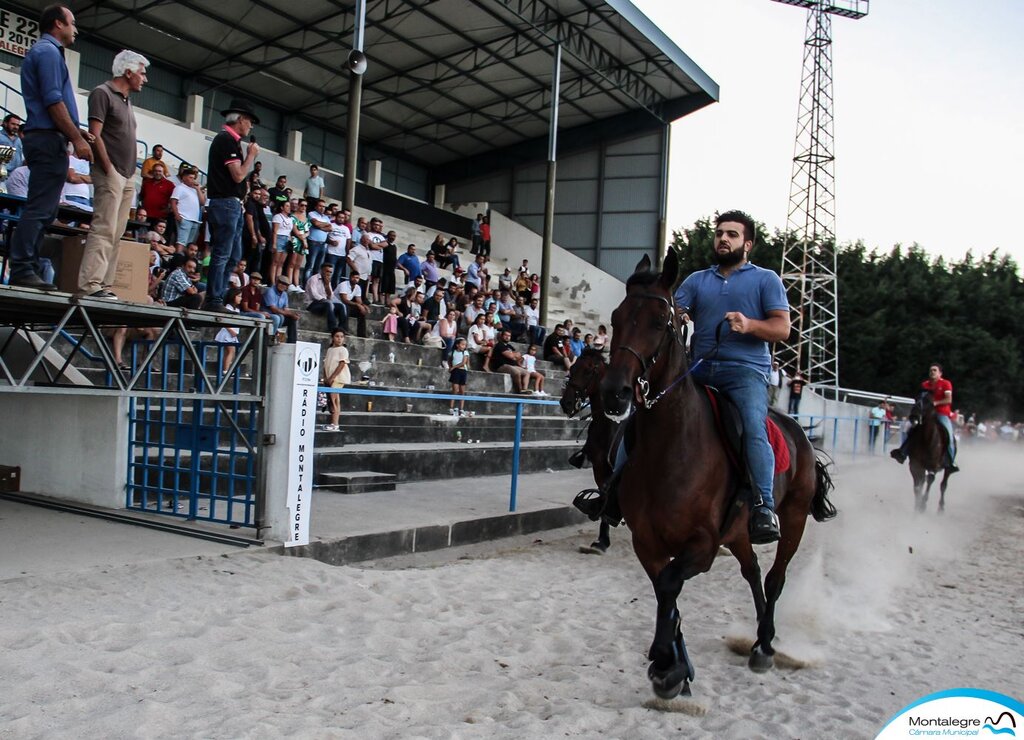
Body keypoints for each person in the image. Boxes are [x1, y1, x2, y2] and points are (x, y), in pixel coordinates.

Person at [7, 4, 93, 290]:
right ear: (58, 24)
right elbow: (53, 102)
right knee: (40, 208)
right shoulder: (47, 53)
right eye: (72, 23)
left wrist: (76, 131)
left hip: (48, 136)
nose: (75, 29)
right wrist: (77, 139)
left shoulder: (48, 53)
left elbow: (56, 105)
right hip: (46, 138)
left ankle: (26, 266)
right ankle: (22, 267)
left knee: (44, 209)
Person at [204, 98, 259, 311]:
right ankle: (214, 298)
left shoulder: (231, 141)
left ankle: (218, 295)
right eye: (250, 121)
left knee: (234, 255)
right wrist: (251, 156)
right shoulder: (226, 140)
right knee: (223, 253)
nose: (251, 126)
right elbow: (237, 175)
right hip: (225, 203)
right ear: (241, 119)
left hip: (232, 204)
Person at [890, 363, 959, 473]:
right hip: (925, 413)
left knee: (949, 436)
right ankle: (902, 452)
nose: (932, 372)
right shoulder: (925, 385)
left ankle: (950, 462)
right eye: (931, 370)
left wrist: (934, 403)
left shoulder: (946, 383)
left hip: (941, 413)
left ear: (940, 373)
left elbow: (948, 400)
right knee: (909, 428)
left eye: (934, 370)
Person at [322, 329, 350, 432]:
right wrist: (325, 377)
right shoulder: (330, 350)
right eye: (337, 336)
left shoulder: (343, 350)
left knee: (333, 400)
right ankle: (334, 423)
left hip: (338, 378)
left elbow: (342, 364)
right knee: (334, 399)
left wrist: (332, 377)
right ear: (333, 338)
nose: (339, 339)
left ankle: (335, 423)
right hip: (329, 378)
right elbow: (325, 365)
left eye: (341, 337)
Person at [170, 166, 204, 249]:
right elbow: (173, 202)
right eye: (190, 177)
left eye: (193, 178)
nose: (193, 180)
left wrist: (198, 189)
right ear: (184, 177)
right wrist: (177, 216)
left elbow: (202, 202)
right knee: (182, 241)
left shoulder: (194, 189)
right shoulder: (179, 188)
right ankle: (179, 257)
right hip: (184, 218)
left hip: (194, 220)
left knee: (190, 244)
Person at [306, 263, 347, 332]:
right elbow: (314, 295)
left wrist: (327, 285)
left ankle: (342, 329)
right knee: (328, 303)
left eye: (330, 272)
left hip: (325, 304)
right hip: (312, 304)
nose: (329, 274)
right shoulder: (314, 279)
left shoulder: (328, 281)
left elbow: (331, 296)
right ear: (321, 270)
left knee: (341, 306)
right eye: (327, 271)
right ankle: (332, 328)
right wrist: (326, 300)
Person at [215, 287, 243, 376]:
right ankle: (225, 371)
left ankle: (225, 369)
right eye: (238, 296)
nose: (240, 298)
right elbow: (224, 321)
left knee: (230, 351)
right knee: (231, 350)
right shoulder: (227, 308)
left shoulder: (237, 310)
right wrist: (231, 330)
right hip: (227, 333)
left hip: (233, 334)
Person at [264, 274, 299, 343]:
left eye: (285, 285)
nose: (283, 286)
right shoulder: (270, 291)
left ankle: (292, 342)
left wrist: (293, 314)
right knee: (278, 317)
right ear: (277, 282)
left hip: (279, 316)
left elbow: (286, 309)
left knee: (292, 319)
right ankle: (271, 338)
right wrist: (289, 314)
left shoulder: (284, 294)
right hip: (268, 314)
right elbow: (273, 309)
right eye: (281, 283)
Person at [449, 337, 469, 416]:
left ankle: (461, 409)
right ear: (457, 345)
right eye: (462, 344)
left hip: (462, 371)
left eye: (465, 345)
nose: (464, 346)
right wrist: (451, 366)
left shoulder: (465, 352)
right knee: (455, 390)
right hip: (455, 372)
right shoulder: (453, 352)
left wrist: (453, 367)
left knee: (462, 391)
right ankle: (451, 407)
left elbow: (463, 362)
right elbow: (450, 359)